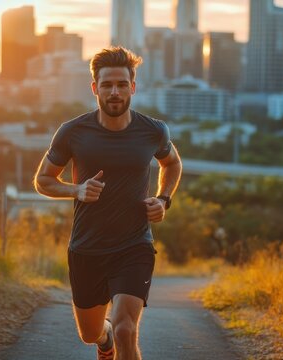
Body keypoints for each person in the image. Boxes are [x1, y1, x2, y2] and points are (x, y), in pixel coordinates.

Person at [33, 46, 182, 360]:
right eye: (107, 85)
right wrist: (77, 190)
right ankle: (105, 338)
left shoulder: (153, 130)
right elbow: (43, 180)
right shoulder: (72, 132)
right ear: (94, 88)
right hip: (87, 248)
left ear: (133, 87)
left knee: (128, 328)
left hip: (134, 245)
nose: (115, 91)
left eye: (122, 84)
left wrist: (163, 199)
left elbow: (172, 164)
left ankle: (116, 333)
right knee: (91, 333)